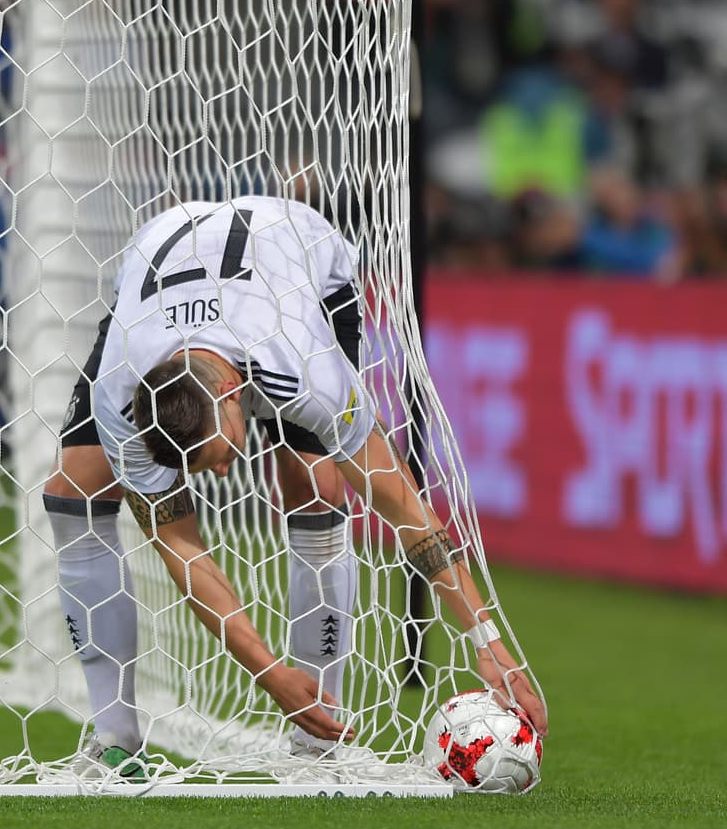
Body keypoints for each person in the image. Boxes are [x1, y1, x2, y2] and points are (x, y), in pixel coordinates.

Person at [42, 195, 548, 779]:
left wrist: (485, 638)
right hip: (160, 264)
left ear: (236, 398)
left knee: (315, 485)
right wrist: (268, 672)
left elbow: (402, 504)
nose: (224, 472)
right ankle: (115, 740)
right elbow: (179, 543)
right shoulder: (121, 393)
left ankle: (319, 741)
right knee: (72, 493)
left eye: (216, 454)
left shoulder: (307, 374)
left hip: (297, 258)